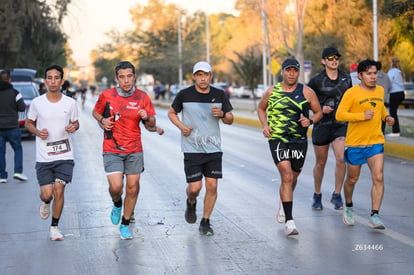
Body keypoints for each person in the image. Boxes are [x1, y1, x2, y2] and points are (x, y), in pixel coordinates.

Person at [92, 61, 159, 240]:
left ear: (134, 77)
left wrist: (148, 117)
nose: (126, 80)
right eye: (122, 77)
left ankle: (125, 222)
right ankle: (116, 203)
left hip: (134, 149)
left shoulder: (142, 97)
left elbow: (151, 124)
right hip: (111, 148)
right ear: (117, 78)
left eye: (129, 76)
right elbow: (96, 112)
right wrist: (102, 121)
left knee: (132, 187)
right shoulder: (107, 95)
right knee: (116, 187)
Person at [257, 58, 322, 236]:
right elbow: (261, 108)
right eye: (288, 70)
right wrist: (265, 125)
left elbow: (319, 112)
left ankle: (283, 203)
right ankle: (289, 221)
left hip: (298, 140)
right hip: (277, 138)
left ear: (298, 73)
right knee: (286, 175)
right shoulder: (272, 91)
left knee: (293, 177)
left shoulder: (307, 92)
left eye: (294, 70)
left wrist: (310, 121)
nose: (291, 73)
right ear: (283, 72)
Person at [168, 61, 233, 236]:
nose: (203, 78)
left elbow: (230, 119)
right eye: (199, 75)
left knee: (212, 186)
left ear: (211, 76)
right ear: (194, 77)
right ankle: (191, 201)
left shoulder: (219, 94)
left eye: (206, 75)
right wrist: (181, 126)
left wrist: (222, 114)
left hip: (213, 148)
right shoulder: (184, 94)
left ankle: (205, 221)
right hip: (192, 149)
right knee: (195, 188)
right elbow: (171, 113)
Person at [336, 59, 394, 230]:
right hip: (356, 144)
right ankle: (348, 206)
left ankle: (375, 215)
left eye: (375, 73)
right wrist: (361, 115)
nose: (373, 76)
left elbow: (380, 109)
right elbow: (340, 115)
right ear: (360, 76)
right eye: (369, 73)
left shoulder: (381, 90)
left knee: (379, 177)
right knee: (352, 178)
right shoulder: (352, 93)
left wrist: (387, 117)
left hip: (376, 141)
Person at [25, 64, 80, 240]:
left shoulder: (70, 103)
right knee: (47, 193)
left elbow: (76, 123)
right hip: (44, 156)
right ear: (45, 81)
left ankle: (54, 227)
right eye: (49, 78)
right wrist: (37, 132)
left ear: (62, 81)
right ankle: (46, 202)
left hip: (65, 154)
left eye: (57, 78)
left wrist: (73, 126)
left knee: (59, 189)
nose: (53, 81)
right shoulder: (37, 103)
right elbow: (29, 123)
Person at [307, 47, 352, 211]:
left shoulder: (346, 78)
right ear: (323, 61)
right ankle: (317, 194)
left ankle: (337, 194)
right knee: (321, 162)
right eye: (330, 58)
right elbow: (307, 100)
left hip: (340, 125)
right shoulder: (316, 80)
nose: (334, 60)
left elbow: (351, 99)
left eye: (336, 57)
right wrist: (319, 109)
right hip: (322, 125)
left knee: (341, 158)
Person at [0, 69, 28, 183]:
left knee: (1, 152)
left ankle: (2, 176)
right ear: (10, 80)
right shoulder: (15, 93)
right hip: (12, 127)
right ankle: (18, 172)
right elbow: (22, 107)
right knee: (17, 149)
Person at [387, 57, 405, 137]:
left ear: (392, 63)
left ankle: (396, 131)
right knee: (394, 112)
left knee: (392, 112)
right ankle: (396, 131)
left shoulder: (392, 72)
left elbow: (388, 82)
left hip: (394, 93)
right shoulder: (400, 72)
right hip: (401, 93)